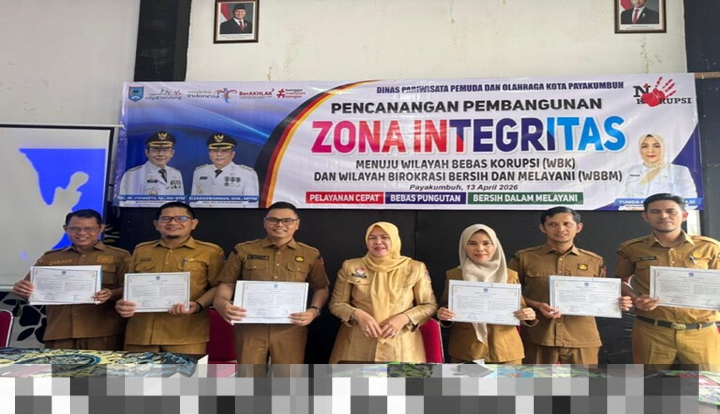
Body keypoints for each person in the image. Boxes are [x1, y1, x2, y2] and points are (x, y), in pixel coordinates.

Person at [213, 201, 329, 375]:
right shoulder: (243, 250)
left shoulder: (310, 254)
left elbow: (321, 287)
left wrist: (314, 311)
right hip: (250, 327)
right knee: (249, 379)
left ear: (297, 224)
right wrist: (221, 302)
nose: (280, 224)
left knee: (288, 381)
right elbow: (227, 283)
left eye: (287, 220)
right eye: (273, 220)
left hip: (290, 328)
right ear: (265, 222)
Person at [508, 207, 632, 364]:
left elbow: (602, 296)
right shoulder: (524, 258)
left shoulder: (594, 261)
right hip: (538, 336)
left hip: (582, 338)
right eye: (553, 224)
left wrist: (617, 302)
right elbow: (509, 293)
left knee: (582, 380)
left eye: (567, 224)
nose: (561, 229)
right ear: (543, 228)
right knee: (536, 380)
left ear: (578, 227)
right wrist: (537, 305)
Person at [615, 193, 719, 370]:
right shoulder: (631, 248)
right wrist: (635, 299)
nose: (663, 216)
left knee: (706, 385)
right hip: (652, 331)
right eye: (655, 212)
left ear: (684, 215)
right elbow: (620, 281)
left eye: (671, 211)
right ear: (645, 216)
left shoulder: (710, 247)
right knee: (652, 385)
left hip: (701, 332)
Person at [115, 202, 224, 354]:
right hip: (141, 332)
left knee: (184, 371)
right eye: (165, 219)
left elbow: (218, 286)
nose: (173, 223)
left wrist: (198, 305)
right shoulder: (142, 250)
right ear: (156, 224)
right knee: (137, 371)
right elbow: (131, 286)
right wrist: (123, 303)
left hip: (185, 334)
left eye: (181, 218)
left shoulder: (210, 252)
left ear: (193, 223)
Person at [12, 209, 129, 350]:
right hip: (60, 332)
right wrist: (21, 289)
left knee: (102, 366)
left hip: (102, 332)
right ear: (65, 229)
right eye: (74, 229)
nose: (81, 233)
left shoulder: (119, 256)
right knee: (59, 365)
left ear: (101, 229)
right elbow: (29, 291)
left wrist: (111, 294)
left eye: (89, 229)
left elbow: (130, 291)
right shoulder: (50, 258)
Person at [328, 222, 438, 363]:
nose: (378, 242)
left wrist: (404, 318)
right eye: (372, 238)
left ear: (395, 239)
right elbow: (337, 303)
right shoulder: (351, 266)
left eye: (384, 237)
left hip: (401, 345)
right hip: (357, 343)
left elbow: (429, 305)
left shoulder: (415, 268)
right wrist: (357, 315)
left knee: (401, 379)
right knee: (355, 378)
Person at [437, 224, 536, 364]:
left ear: (495, 245)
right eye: (472, 243)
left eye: (486, 243)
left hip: (505, 349)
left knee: (509, 380)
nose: (480, 249)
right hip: (466, 349)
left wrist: (528, 315)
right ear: (464, 246)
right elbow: (446, 307)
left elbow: (521, 308)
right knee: (465, 380)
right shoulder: (454, 275)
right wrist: (444, 315)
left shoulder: (509, 275)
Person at [190, 133, 259, 208]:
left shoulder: (247, 174)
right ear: (209, 154)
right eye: (215, 151)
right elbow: (193, 202)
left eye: (224, 151)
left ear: (232, 154)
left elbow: (251, 205)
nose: (219, 154)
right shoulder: (199, 172)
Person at [623, 133, 697, 200]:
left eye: (656, 146)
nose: (650, 150)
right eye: (645, 146)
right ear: (640, 150)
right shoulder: (633, 170)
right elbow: (624, 199)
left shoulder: (679, 170)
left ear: (663, 148)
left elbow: (691, 200)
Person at [118, 131, 185, 197]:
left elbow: (180, 200)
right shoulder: (133, 175)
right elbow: (126, 202)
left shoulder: (176, 174)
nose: (161, 154)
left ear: (172, 153)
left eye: (165, 150)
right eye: (155, 150)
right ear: (147, 152)